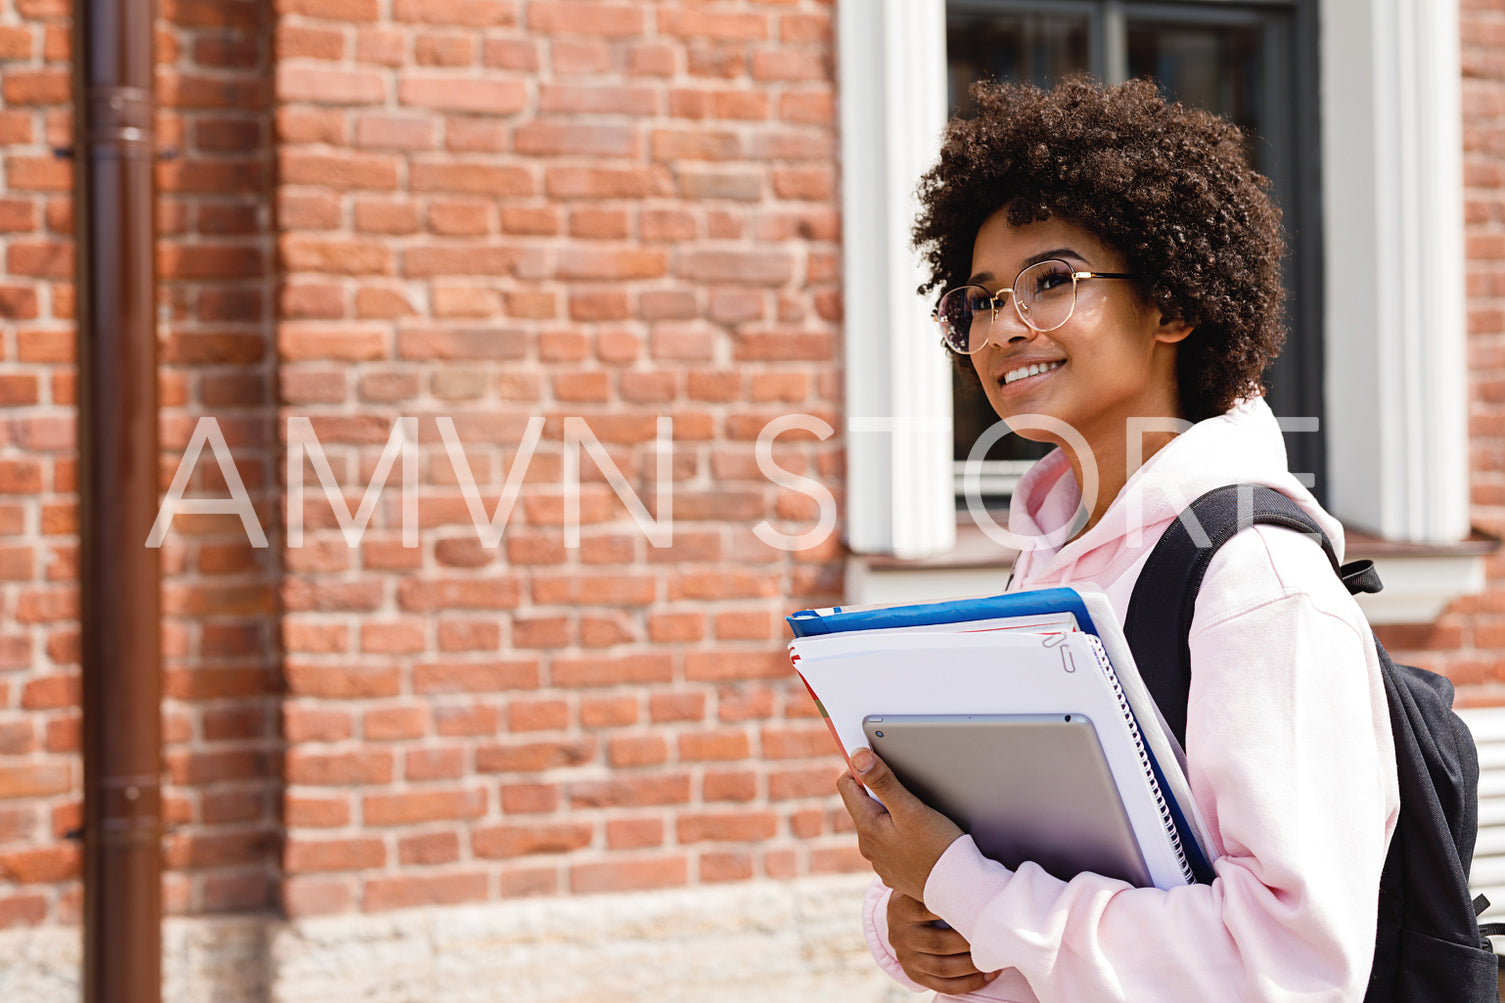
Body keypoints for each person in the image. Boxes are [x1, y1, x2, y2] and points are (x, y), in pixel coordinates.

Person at [835, 77, 1398, 1002]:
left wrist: (964, 887)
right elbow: (1025, 858)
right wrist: (919, 922)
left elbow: (1293, 966)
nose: (1002, 326)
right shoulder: (1052, 551)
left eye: (1051, 281)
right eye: (977, 299)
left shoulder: (1255, 577)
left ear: (1172, 305)